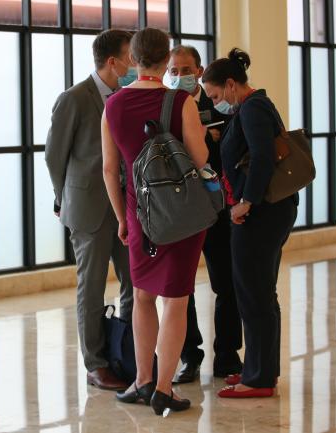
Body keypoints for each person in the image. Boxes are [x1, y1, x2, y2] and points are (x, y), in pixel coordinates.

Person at [102, 27, 209, 414]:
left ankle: (142, 380)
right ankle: (165, 388)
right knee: (176, 302)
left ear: (133, 59)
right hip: (180, 214)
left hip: (138, 213)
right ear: (166, 61)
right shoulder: (181, 101)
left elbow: (109, 169)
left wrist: (121, 218)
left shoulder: (112, 105)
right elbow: (199, 160)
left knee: (143, 297)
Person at [202, 48, 298, 398]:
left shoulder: (253, 107)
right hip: (270, 211)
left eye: (215, 95)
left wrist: (246, 203)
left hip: (261, 213)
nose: (216, 102)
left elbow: (261, 157)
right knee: (260, 293)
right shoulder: (254, 105)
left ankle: (257, 378)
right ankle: (261, 371)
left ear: (230, 85)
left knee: (253, 294)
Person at [45, 29, 135, 391]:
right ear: (112, 62)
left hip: (125, 207)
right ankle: (96, 363)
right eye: (130, 57)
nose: (134, 64)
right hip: (87, 207)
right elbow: (54, 155)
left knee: (133, 282)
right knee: (92, 286)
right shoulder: (74, 98)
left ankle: (126, 352)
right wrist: (62, 197)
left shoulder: (127, 96)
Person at [167, 45, 243, 384]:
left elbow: (233, 151)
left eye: (186, 69)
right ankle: (189, 356)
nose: (180, 76)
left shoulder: (221, 105)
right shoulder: (167, 106)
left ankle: (227, 356)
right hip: (182, 210)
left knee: (226, 285)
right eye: (175, 70)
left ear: (199, 71)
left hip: (219, 209)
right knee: (181, 288)